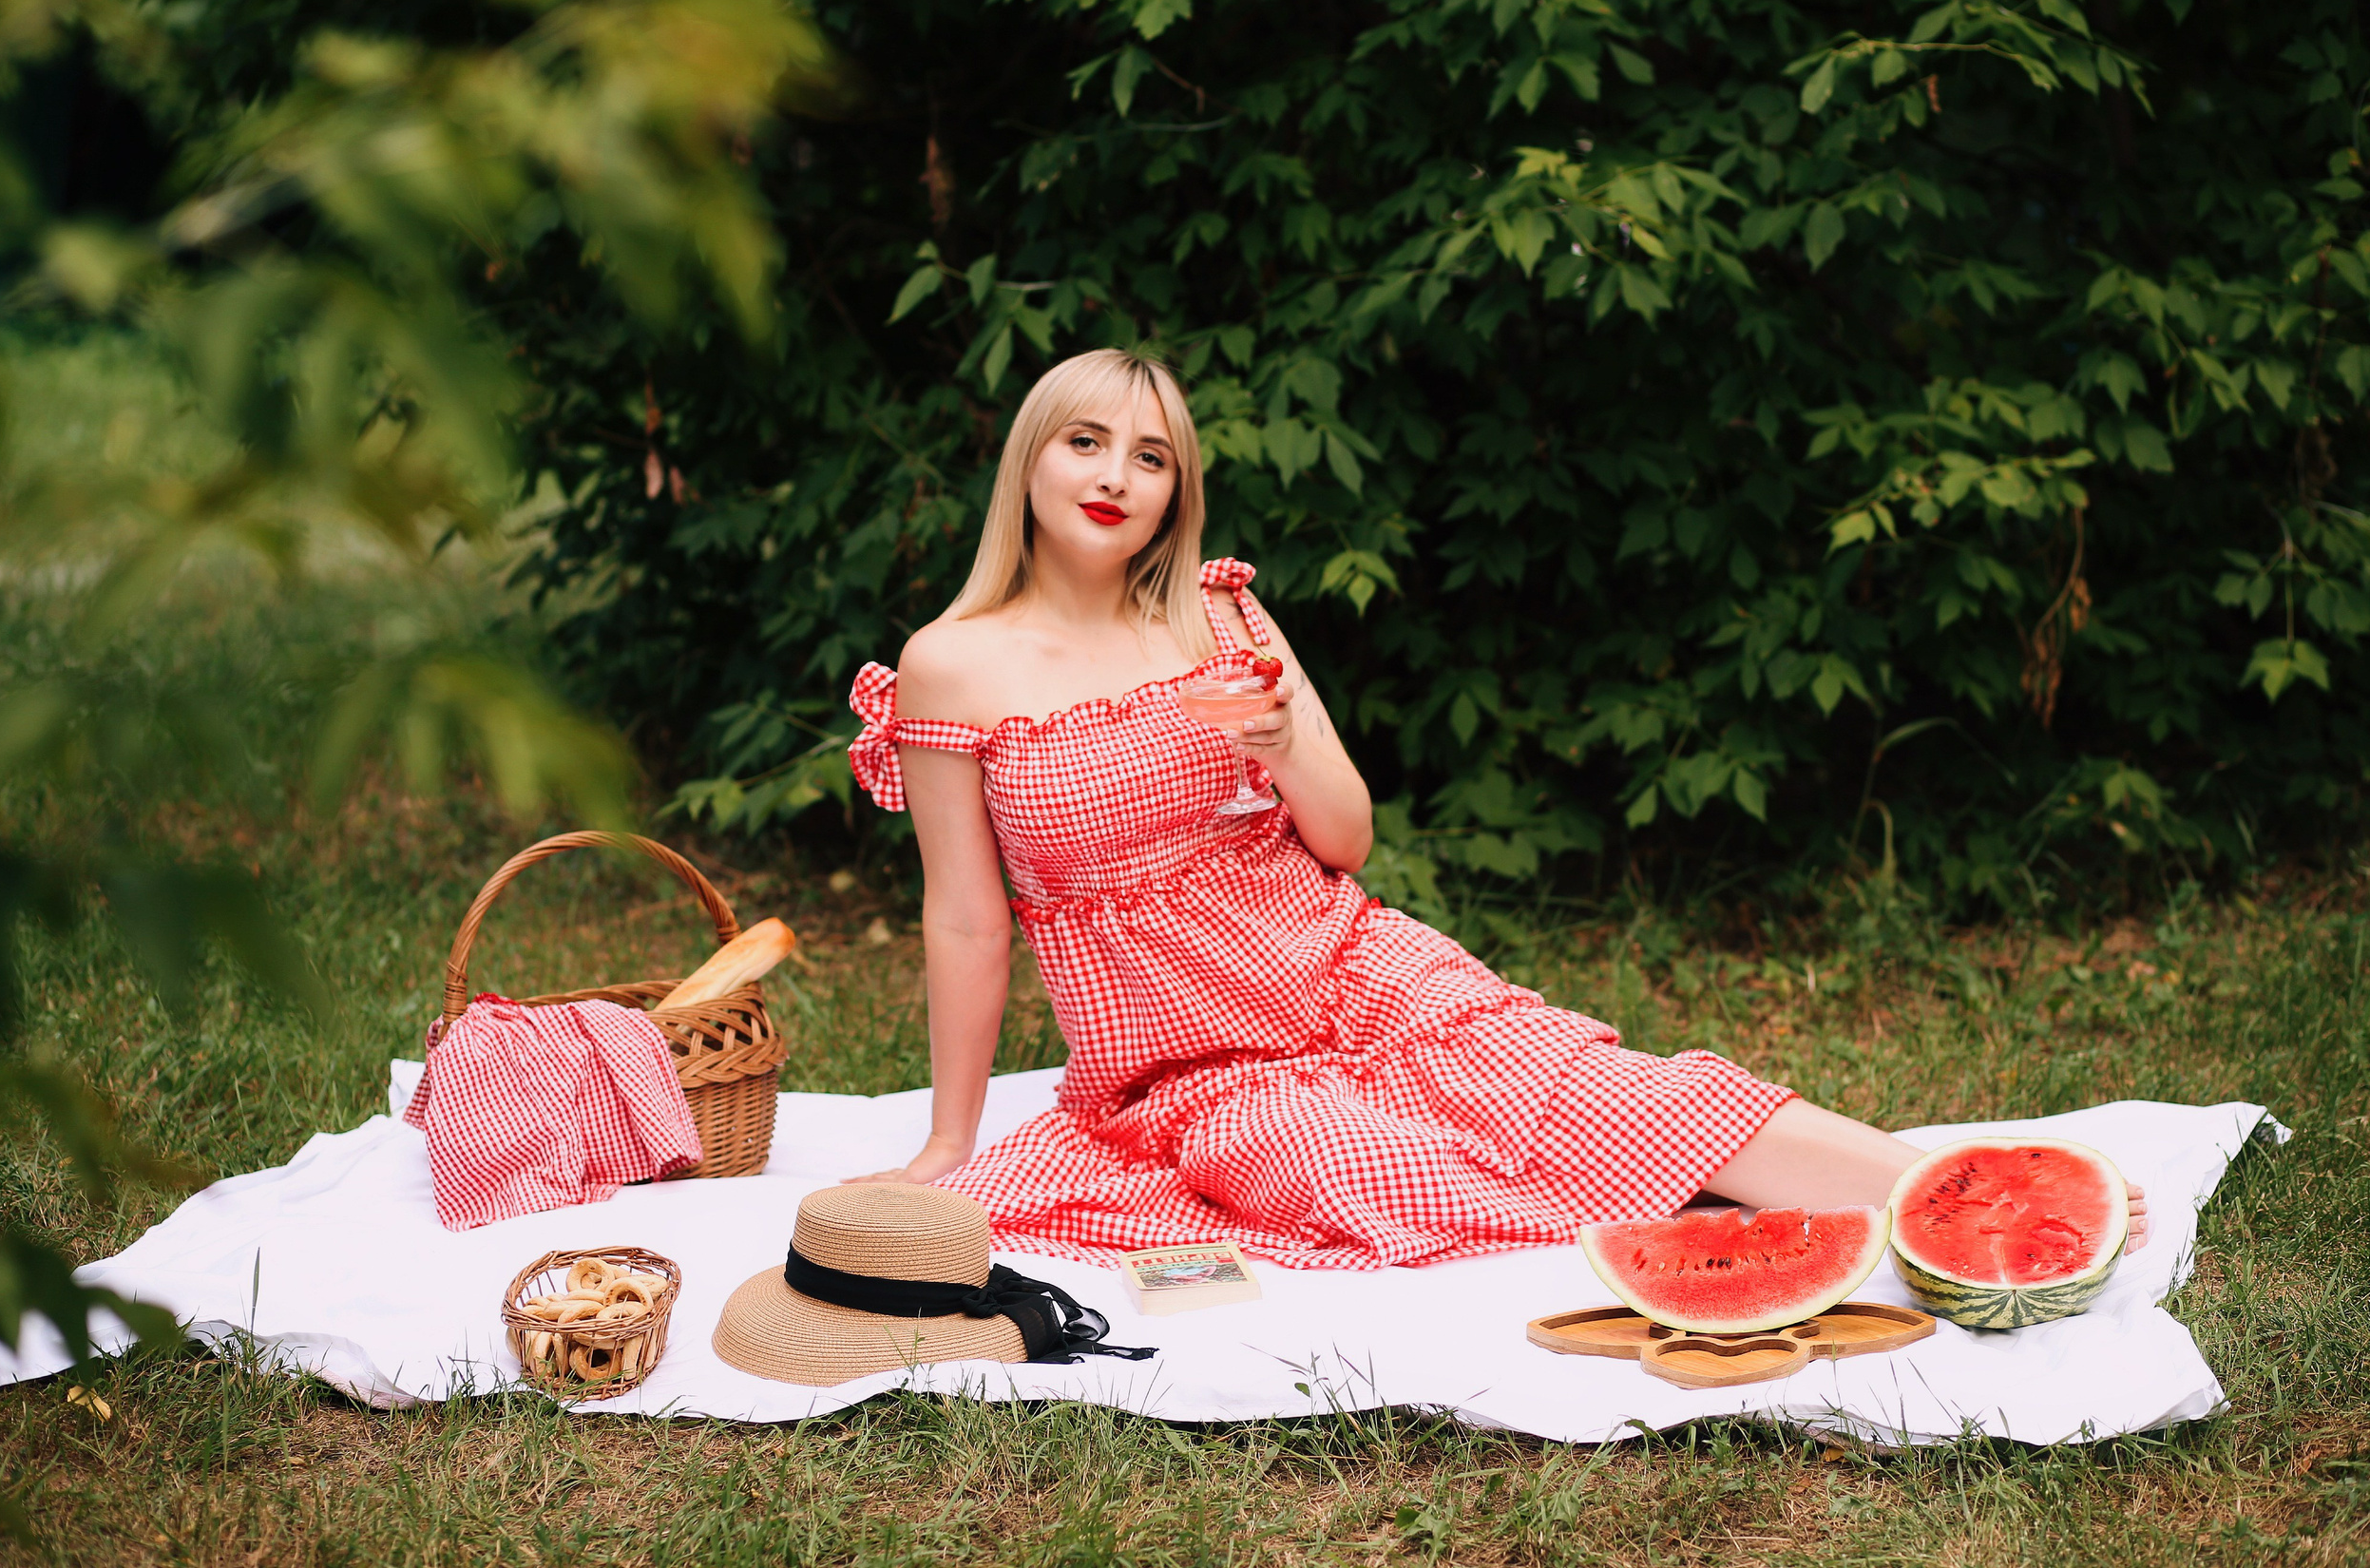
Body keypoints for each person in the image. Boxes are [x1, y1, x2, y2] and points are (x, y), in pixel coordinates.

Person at [846, 348, 2146, 1269]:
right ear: (1031, 457)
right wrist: (949, 1135)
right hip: (1191, 1064)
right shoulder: (955, 663)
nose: (1116, 475)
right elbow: (967, 920)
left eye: (1153, 456)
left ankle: (1979, 1186)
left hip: (1344, 967)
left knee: (1597, 1090)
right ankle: (1733, 1235)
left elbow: (1347, 841)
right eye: (1086, 441)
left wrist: (1288, 736)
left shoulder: (1222, 614)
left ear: (1179, 492)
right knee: (1350, 1164)